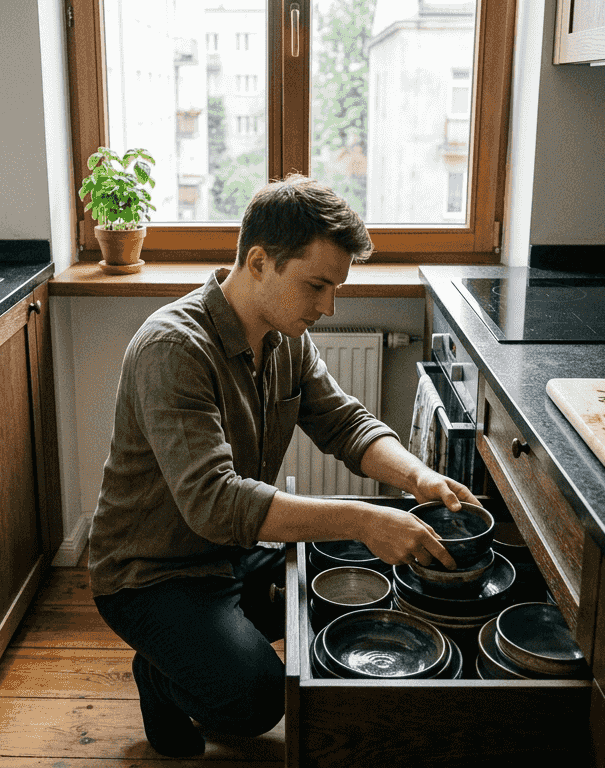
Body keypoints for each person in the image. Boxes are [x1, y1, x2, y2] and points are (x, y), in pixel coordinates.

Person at [87, 174, 478, 757]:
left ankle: (195, 650)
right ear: (259, 261)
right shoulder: (173, 348)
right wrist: (364, 520)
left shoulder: (285, 337)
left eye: (335, 288)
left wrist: (418, 476)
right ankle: (159, 677)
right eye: (316, 285)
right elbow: (217, 503)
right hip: (152, 573)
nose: (328, 306)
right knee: (256, 702)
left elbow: (344, 423)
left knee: (337, 589)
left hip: (227, 551)